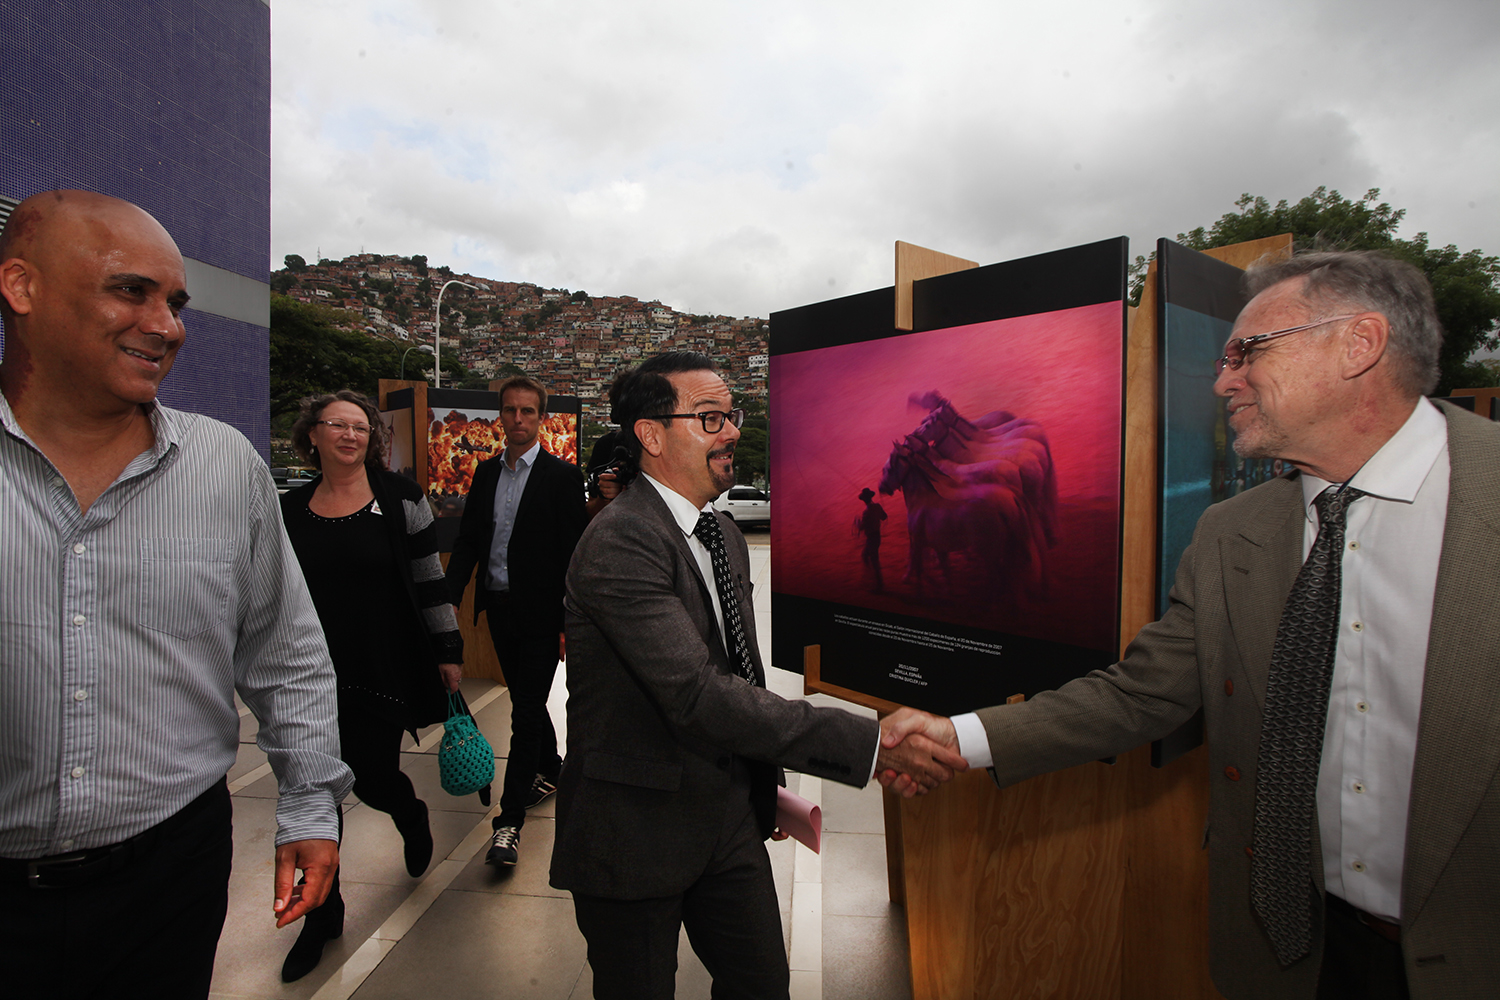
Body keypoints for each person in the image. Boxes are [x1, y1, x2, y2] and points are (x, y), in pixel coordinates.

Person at [883, 251, 1499, 999]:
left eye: (1248, 352)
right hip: (1286, 951)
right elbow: (1142, 695)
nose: (1222, 380)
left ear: (1358, 344)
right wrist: (961, 738)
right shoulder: (1229, 533)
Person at [0, 188, 352, 998]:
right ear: (23, 288)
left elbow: (286, 652)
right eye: (131, 290)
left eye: (176, 302)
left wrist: (308, 808)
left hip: (169, 878)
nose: (167, 326)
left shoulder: (225, 468)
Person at [551, 351, 966, 999]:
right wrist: (871, 741)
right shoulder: (621, 539)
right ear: (651, 435)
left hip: (727, 819)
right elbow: (694, 694)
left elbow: (738, 669)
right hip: (633, 829)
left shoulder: (723, 536)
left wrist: (762, 786)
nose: (734, 433)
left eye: (732, 416)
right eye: (710, 418)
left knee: (763, 985)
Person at [276, 389, 464, 981]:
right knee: (314, 793)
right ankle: (321, 915)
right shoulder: (291, 509)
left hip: (381, 663)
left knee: (373, 775)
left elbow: (430, 583)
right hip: (308, 673)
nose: (351, 435)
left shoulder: (402, 500)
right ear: (313, 435)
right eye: (338, 425)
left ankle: (407, 812)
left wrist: (448, 652)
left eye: (361, 427)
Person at [447, 375, 588, 867]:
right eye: (510, 411)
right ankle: (552, 768)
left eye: (528, 412)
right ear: (500, 416)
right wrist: (446, 603)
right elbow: (469, 542)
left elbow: (575, 556)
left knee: (524, 713)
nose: (519, 420)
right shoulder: (484, 475)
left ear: (542, 418)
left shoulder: (561, 476)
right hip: (499, 610)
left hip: (544, 617)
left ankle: (508, 824)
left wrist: (571, 621)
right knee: (524, 700)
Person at [855, 486, 887, 592]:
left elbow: (861, 527)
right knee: (867, 556)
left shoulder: (866, 512)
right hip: (877, 536)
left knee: (872, 559)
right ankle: (874, 580)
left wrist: (857, 523)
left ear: (864, 500)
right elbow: (884, 517)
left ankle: (878, 584)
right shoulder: (877, 506)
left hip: (871, 538)